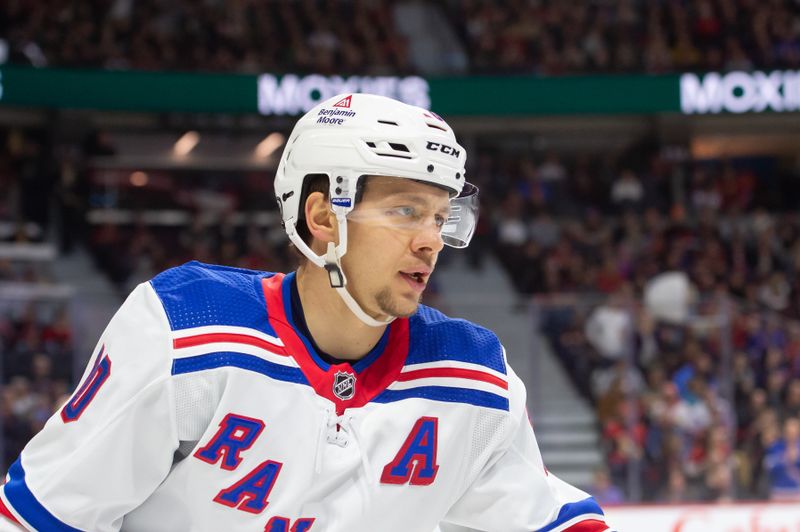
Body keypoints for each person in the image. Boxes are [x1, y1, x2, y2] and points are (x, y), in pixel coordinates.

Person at [0, 94, 612, 531]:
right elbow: (50, 514)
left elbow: (541, 516)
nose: (430, 239)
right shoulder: (189, 329)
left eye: (439, 216)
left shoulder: (474, 374)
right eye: (405, 211)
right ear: (322, 219)